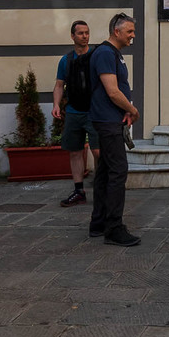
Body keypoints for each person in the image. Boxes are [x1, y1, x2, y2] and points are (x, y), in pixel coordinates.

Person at [88, 11, 140, 246]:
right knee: (118, 171)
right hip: (108, 121)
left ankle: (98, 223)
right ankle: (114, 228)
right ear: (116, 31)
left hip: (110, 120)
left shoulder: (112, 53)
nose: (133, 36)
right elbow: (112, 91)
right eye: (129, 31)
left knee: (106, 172)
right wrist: (132, 110)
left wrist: (126, 109)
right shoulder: (106, 53)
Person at [52, 19, 96, 207]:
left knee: (98, 151)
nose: (85, 36)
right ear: (72, 36)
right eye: (80, 33)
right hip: (73, 111)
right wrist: (56, 105)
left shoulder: (96, 56)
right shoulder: (66, 60)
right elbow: (59, 85)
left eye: (87, 33)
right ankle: (79, 191)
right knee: (75, 152)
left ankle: (102, 189)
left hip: (95, 112)